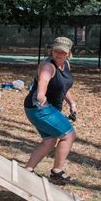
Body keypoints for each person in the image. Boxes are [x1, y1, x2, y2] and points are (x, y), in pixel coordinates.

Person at [23, 37, 78, 184]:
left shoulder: (66, 64)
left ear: (68, 54)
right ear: (51, 50)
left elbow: (63, 87)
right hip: (39, 108)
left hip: (45, 109)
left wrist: (72, 103)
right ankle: (57, 172)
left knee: (50, 140)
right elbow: (44, 81)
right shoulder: (48, 66)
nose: (58, 54)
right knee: (69, 135)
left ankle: (28, 170)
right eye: (56, 51)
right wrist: (41, 93)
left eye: (62, 52)